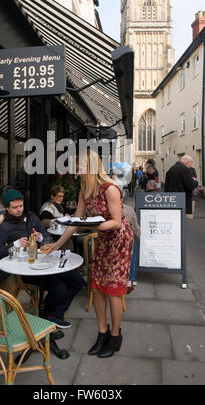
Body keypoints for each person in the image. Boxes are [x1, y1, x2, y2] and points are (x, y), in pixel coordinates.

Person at [43, 149, 134, 358]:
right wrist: (57, 244)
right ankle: (102, 333)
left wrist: (91, 226)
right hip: (103, 238)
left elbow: (117, 222)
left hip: (119, 241)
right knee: (97, 286)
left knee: (112, 289)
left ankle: (115, 335)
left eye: (79, 169)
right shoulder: (85, 189)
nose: (77, 174)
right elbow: (76, 220)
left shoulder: (110, 189)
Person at [0, 188, 84, 329]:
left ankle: (53, 316)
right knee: (60, 289)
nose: (18, 210)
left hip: (46, 262)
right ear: (6, 208)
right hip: (26, 270)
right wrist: (15, 244)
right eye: (14, 207)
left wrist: (40, 237)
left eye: (20, 206)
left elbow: (48, 238)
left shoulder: (32, 218)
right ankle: (47, 319)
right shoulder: (4, 227)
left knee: (77, 281)